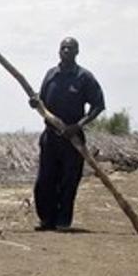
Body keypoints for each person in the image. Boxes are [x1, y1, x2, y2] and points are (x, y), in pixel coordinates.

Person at [31, 37, 105, 231]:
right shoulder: (51, 75)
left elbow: (98, 106)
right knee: (45, 180)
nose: (65, 51)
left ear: (76, 52)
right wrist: (36, 103)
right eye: (63, 48)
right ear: (58, 51)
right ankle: (47, 220)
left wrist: (78, 125)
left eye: (70, 48)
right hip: (50, 137)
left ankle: (63, 221)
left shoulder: (84, 77)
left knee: (68, 181)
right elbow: (42, 103)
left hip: (73, 140)